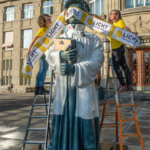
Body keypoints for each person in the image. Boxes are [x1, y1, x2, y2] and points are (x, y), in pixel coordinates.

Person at [45, 0, 104, 149]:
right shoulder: (59, 38)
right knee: (61, 118)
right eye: (69, 11)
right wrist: (60, 57)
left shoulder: (93, 39)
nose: (72, 15)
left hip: (83, 89)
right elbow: (49, 54)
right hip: (63, 90)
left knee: (85, 118)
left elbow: (97, 62)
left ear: (84, 14)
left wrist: (76, 69)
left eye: (76, 11)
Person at [108, 9, 138, 91]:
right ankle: (129, 85)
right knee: (124, 66)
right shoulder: (110, 24)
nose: (110, 15)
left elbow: (125, 28)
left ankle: (123, 85)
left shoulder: (119, 22)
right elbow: (100, 22)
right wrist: (94, 16)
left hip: (116, 48)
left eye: (113, 14)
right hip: (120, 48)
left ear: (116, 15)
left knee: (116, 67)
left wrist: (132, 34)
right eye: (110, 13)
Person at [26, 14, 52, 95]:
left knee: (43, 69)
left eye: (50, 19)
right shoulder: (42, 30)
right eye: (48, 19)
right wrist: (29, 49)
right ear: (43, 22)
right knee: (43, 69)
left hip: (46, 51)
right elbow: (34, 39)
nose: (50, 20)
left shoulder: (49, 29)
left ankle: (38, 88)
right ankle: (40, 88)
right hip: (42, 52)